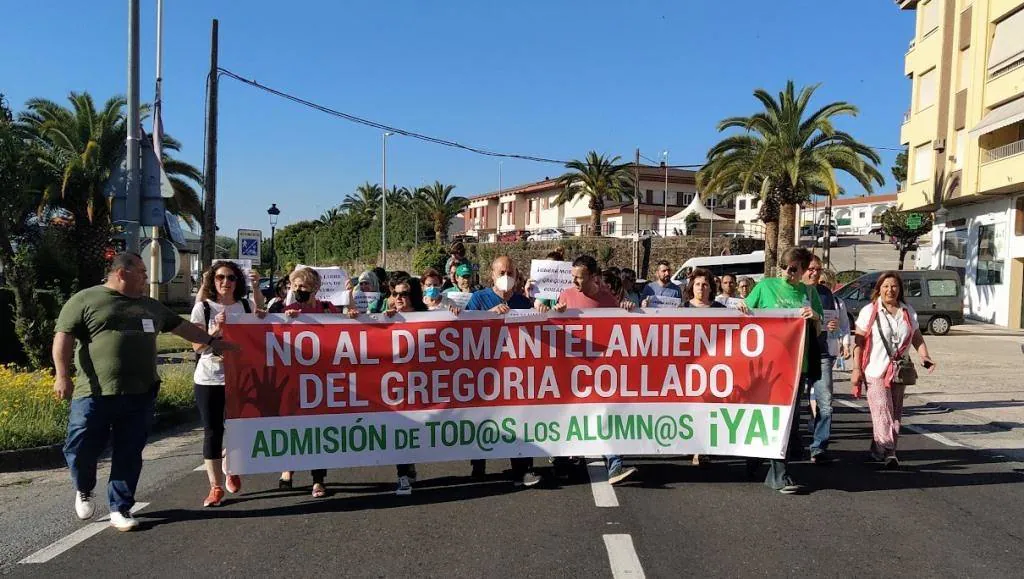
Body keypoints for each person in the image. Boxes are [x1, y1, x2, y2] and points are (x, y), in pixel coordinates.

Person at [54, 253, 237, 531]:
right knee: (80, 446)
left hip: (140, 393)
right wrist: (62, 375)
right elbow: (63, 337)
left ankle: (120, 507)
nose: (146, 278)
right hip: (93, 393)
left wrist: (212, 341)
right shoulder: (85, 300)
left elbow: (183, 327)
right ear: (122, 273)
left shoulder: (150, 306)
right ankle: (84, 487)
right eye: (141, 272)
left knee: (129, 451)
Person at [539, 255, 637, 484]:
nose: (573, 282)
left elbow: (619, 329)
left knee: (607, 414)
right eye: (572, 277)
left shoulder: (607, 299)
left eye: (578, 278)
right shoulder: (565, 296)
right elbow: (552, 329)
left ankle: (614, 464)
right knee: (568, 415)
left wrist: (626, 308)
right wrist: (555, 313)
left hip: (600, 368)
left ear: (593, 277)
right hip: (572, 367)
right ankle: (563, 460)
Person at [743, 246, 823, 495]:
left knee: (787, 420)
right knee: (763, 415)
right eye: (786, 268)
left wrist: (815, 318)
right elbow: (743, 315)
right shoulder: (765, 287)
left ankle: (778, 473)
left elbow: (818, 331)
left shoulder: (809, 292)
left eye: (795, 269)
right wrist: (743, 309)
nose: (789, 273)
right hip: (765, 366)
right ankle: (756, 456)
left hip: (796, 366)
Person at [191, 261, 265, 507]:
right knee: (213, 431)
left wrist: (256, 288)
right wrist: (215, 331)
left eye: (231, 278)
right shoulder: (203, 307)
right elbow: (197, 347)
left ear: (237, 281)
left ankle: (231, 464)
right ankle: (215, 487)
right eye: (220, 277)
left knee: (239, 429)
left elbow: (263, 322)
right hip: (210, 378)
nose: (226, 282)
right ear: (213, 280)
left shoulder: (245, 305)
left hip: (241, 377)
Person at [465, 256, 543, 488]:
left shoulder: (523, 301)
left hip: (516, 374)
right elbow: (464, 329)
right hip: (485, 373)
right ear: (492, 275)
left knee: (519, 420)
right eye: (501, 273)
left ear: (517, 276)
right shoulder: (478, 299)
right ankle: (478, 466)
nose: (506, 277)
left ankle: (523, 469)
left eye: (510, 273)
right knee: (484, 421)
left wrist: (543, 309)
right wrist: (488, 314)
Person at [851, 271, 936, 469]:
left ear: (900, 289)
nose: (890, 290)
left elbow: (916, 336)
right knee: (882, 410)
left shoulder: (907, 312)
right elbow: (859, 341)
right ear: (879, 289)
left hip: (899, 370)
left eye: (894, 286)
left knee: (894, 412)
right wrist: (856, 368)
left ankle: (878, 448)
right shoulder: (869, 311)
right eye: (886, 286)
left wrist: (925, 356)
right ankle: (890, 450)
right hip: (875, 370)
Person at [279, 267, 341, 497]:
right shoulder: (282, 309)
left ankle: (318, 479)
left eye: (302, 287)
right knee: (291, 426)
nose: (297, 291)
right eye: (294, 287)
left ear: (315, 288)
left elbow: (346, 331)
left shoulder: (327, 308)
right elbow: (264, 329)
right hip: (290, 380)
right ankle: (288, 468)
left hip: (319, 380)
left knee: (317, 429)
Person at [801, 255, 850, 464]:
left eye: (818, 269)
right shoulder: (794, 292)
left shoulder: (826, 294)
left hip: (822, 355)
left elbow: (833, 322)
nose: (815, 273)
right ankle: (792, 444)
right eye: (811, 269)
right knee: (793, 406)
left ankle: (818, 446)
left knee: (826, 404)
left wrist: (833, 327)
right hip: (797, 355)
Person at [384, 276, 428, 494]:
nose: (398, 298)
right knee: (400, 428)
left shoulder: (428, 317)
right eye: (395, 294)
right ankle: (402, 474)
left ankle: (409, 464)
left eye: (404, 294)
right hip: (397, 383)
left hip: (423, 382)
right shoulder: (388, 317)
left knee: (418, 429)